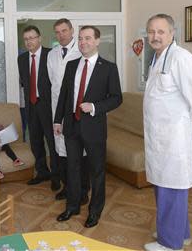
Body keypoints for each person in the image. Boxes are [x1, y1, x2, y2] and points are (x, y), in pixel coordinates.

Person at [143, 14, 192, 251]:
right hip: (160, 137)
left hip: (173, 139)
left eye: (161, 31)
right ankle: (179, 233)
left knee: (172, 188)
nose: (155, 36)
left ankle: (170, 244)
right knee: (164, 186)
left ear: (172, 33)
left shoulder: (181, 58)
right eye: (151, 31)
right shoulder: (158, 58)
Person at [54, 25, 122, 227]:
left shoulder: (109, 68)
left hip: (94, 128)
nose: (84, 42)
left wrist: (94, 106)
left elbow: (117, 98)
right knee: (72, 169)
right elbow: (64, 96)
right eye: (81, 38)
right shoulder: (72, 65)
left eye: (88, 38)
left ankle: (95, 211)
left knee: (97, 172)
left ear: (97, 41)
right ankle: (73, 206)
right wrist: (58, 120)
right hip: (72, 127)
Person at [47, 18, 90, 201]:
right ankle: (68, 187)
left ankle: (83, 190)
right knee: (61, 151)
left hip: (76, 110)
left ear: (72, 31)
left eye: (64, 31)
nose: (61, 35)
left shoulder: (81, 52)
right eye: (57, 32)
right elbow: (54, 82)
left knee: (80, 153)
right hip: (57, 109)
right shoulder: (52, 54)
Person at [18, 25, 59, 191]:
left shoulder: (51, 54)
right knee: (35, 142)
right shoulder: (21, 59)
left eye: (32, 38)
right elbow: (25, 83)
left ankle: (57, 177)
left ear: (39, 38)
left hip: (48, 106)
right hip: (32, 106)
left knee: (52, 142)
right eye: (26, 39)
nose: (29, 42)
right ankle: (42, 172)